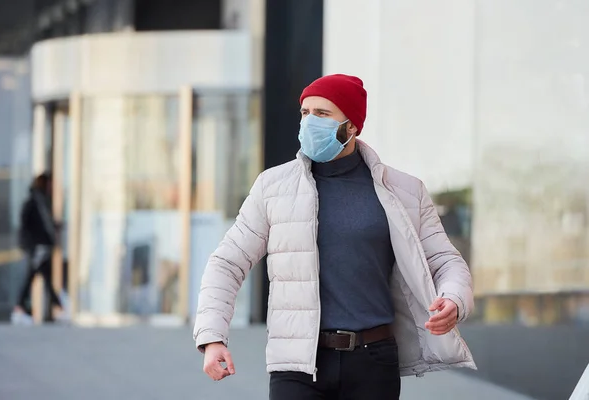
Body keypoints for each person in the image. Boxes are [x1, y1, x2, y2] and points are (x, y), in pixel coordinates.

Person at [193, 74, 475, 399]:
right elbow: (227, 263)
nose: (310, 122)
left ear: (351, 126)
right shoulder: (273, 188)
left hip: (373, 363)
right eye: (305, 112)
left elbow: (446, 261)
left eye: (323, 114)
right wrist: (213, 337)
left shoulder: (405, 192)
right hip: (297, 365)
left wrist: (453, 300)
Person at [11, 172, 67, 325]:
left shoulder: (43, 202)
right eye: (49, 184)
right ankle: (21, 308)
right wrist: (31, 244)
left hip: (42, 246)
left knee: (42, 278)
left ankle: (56, 308)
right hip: (38, 247)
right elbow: (28, 226)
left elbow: (45, 225)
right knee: (33, 278)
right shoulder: (35, 203)